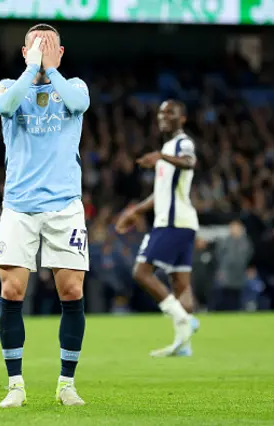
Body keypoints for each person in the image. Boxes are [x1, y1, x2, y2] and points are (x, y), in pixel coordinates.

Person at [0, 24, 90, 407]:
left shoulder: (75, 85)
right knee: (11, 290)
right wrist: (33, 67)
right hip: (19, 205)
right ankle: (16, 384)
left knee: (72, 291)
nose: (41, 49)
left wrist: (50, 69)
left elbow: (78, 105)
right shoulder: (7, 86)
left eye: (48, 45)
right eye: (35, 44)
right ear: (23, 52)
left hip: (65, 205)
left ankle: (66, 384)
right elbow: (5, 106)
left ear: (61, 52)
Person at [116, 100, 199, 358]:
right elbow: (160, 194)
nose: (164, 116)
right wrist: (135, 212)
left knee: (141, 272)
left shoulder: (182, 143)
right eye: (161, 112)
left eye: (170, 112)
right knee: (181, 285)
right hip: (183, 223)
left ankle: (184, 322)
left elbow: (190, 161)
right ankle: (183, 344)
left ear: (182, 118)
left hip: (172, 223)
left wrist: (161, 157)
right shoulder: (166, 148)